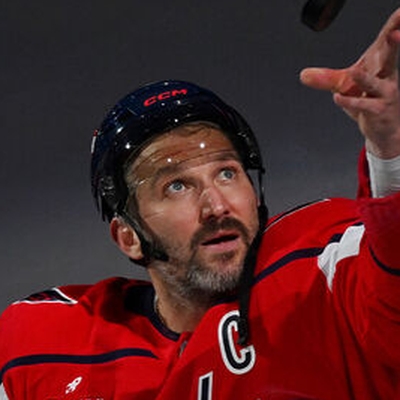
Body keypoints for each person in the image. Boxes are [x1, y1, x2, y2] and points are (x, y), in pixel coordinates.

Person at [2, 8, 400, 400]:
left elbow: (390, 263)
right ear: (129, 237)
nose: (216, 206)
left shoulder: (319, 271)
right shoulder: (42, 346)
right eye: (176, 186)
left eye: (227, 173)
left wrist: (391, 147)